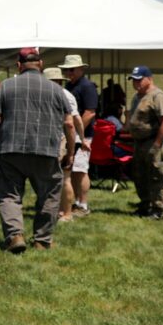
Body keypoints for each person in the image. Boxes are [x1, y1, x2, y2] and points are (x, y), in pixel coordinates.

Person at [0, 48, 74, 253]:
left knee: (10, 194)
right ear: (41, 64)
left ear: (18, 65)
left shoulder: (6, 86)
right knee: (49, 195)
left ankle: (15, 235)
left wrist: (4, 132)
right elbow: (69, 124)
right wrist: (70, 152)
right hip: (46, 150)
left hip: (10, 149)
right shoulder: (56, 90)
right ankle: (42, 241)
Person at [125, 66, 163, 219]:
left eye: (139, 79)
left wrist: (157, 145)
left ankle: (158, 209)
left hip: (153, 140)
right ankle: (145, 204)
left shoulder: (157, 96)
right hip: (139, 142)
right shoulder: (137, 96)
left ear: (149, 79)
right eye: (134, 80)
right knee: (140, 174)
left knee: (157, 174)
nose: (136, 83)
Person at [43, 67, 88, 223]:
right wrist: (81, 139)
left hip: (61, 142)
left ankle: (66, 213)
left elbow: (73, 122)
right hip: (60, 141)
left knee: (62, 179)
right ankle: (61, 211)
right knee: (60, 179)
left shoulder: (59, 95)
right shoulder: (65, 94)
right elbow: (76, 120)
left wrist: (81, 140)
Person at [58, 54, 97, 217]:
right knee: (72, 169)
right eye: (66, 70)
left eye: (72, 69)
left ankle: (83, 205)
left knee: (80, 170)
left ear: (81, 69)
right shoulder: (70, 86)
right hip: (73, 134)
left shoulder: (87, 86)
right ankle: (74, 203)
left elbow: (90, 113)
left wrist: (75, 133)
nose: (69, 73)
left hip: (82, 134)